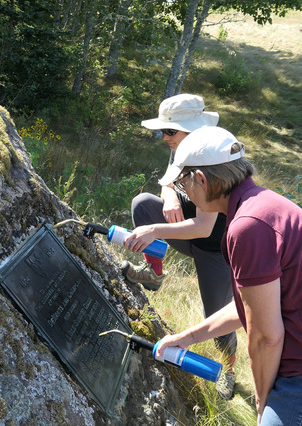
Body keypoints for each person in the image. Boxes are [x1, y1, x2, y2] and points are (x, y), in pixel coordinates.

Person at [153, 125, 302, 425]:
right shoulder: (264, 203)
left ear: (202, 179)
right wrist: (188, 337)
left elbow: (265, 339)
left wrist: (262, 399)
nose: (186, 195)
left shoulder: (247, 227)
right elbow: (253, 304)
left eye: (183, 184)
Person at [121, 94, 237, 399]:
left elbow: (203, 226)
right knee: (143, 205)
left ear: (192, 129)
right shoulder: (183, 147)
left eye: (170, 131)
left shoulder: (211, 158)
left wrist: (156, 229)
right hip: (189, 235)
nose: (164, 138)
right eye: (163, 132)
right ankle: (153, 272)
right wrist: (170, 194)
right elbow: (167, 179)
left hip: (214, 250)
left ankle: (230, 370)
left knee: (218, 317)